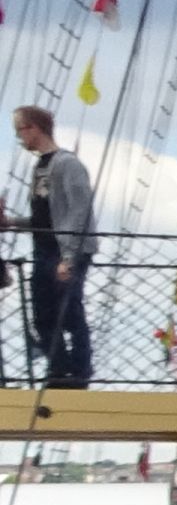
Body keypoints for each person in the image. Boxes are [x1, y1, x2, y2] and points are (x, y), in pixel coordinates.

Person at [16, 105, 93, 389]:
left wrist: (69, 256)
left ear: (34, 128)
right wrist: (12, 222)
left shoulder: (67, 164)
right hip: (44, 251)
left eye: (20, 130)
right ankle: (59, 369)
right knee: (43, 314)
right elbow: (45, 217)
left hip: (64, 250)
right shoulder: (40, 167)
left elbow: (79, 210)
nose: (19, 137)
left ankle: (80, 371)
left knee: (70, 310)